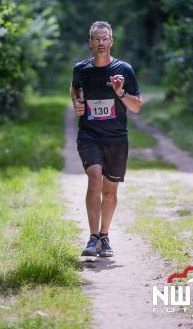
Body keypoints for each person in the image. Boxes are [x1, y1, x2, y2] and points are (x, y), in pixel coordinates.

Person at [70, 21, 142, 257]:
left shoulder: (125, 70)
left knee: (110, 191)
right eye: (96, 38)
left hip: (116, 138)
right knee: (95, 181)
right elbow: (75, 88)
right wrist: (77, 103)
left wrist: (120, 92)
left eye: (105, 38)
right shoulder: (81, 69)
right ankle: (92, 239)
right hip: (89, 134)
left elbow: (137, 107)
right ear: (90, 42)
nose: (101, 43)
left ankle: (104, 236)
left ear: (111, 42)